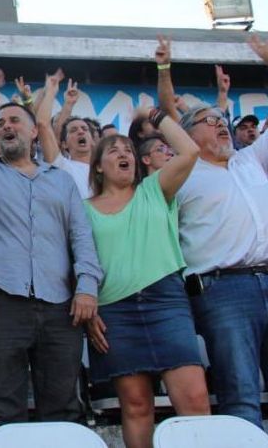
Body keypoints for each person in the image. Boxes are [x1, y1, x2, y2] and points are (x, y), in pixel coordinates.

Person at [0, 59, 103, 429]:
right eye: (0, 123)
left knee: (62, 412)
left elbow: (82, 238)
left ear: (34, 133)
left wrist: (87, 288)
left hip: (61, 308)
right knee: (5, 408)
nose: (5, 126)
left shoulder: (61, 181)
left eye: (14, 121)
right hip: (2, 304)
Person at [155, 34, 268, 430]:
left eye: (224, 121)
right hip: (223, 290)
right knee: (241, 395)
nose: (223, 126)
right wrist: (165, 69)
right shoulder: (181, 174)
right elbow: (164, 113)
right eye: (211, 122)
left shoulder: (252, 160)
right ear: (187, 134)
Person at [85, 108, 209, 448]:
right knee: (137, 406)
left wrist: (157, 116)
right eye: (113, 150)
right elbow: (81, 264)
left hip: (166, 301)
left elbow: (190, 151)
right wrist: (89, 310)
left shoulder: (155, 188)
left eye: (128, 149)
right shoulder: (82, 208)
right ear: (97, 166)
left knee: (195, 399)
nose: (123, 153)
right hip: (114, 312)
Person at [36, 71, 94, 198]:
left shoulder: (107, 169)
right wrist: (51, 92)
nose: (80, 131)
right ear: (64, 144)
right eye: (73, 130)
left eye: (85, 129)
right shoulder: (62, 166)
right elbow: (42, 125)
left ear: (93, 140)